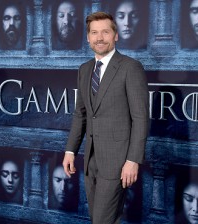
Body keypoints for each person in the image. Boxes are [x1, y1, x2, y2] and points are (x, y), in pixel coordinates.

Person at [62, 11, 149, 223]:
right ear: (88, 38)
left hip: (118, 162)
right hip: (91, 160)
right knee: (105, 218)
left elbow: (141, 118)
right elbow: (80, 114)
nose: (99, 38)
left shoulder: (130, 67)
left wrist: (132, 160)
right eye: (94, 33)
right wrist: (70, 150)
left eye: (105, 32)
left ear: (115, 35)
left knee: (101, 220)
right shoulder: (84, 70)